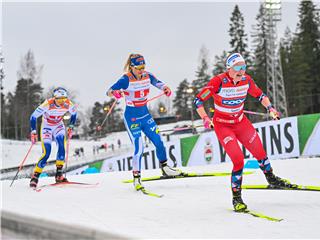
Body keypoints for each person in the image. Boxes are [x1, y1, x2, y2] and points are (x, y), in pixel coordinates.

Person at [194, 53, 294, 212]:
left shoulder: (246, 80)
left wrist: (271, 109)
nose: (242, 71)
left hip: (241, 123)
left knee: (260, 152)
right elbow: (198, 101)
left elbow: (261, 95)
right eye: (238, 67)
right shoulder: (218, 81)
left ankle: (271, 178)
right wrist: (206, 118)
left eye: (244, 67)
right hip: (223, 126)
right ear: (229, 68)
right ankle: (237, 198)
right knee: (238, 160)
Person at [106, 53, 182, 190]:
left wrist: (165, 88)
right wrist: (115, 93)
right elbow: (109, 91)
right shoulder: (126, 79)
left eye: (143, 67)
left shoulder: (147, 75)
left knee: (158, 141)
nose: (141, 70)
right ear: (132, 67)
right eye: (138, 68)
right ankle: (136, 178)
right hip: (132, 118)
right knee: (139, 147)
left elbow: (158, 83)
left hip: (146, 116)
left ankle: (165, 168)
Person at [29, 87, 77, 188]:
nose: (62, 102)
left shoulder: (68, 103)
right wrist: (33, 132)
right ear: (54, 98)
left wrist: (71, 126)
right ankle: (35, 176)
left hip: (59, 126)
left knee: (61, 147)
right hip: (47, 127)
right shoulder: (47, 104)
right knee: (47, 152)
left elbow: (74, 113)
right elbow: (33, 116)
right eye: (59, 99)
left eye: (64, 99)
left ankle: (59, 174)